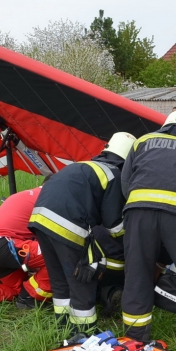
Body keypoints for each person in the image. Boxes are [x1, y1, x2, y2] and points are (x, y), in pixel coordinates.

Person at [28, 132, 136, 336]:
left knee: (60, 280)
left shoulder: (83, 166)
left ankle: (63, 327)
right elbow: (113, 225)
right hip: (68, 224)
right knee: (83, 279)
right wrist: (130, 242)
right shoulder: (114, 173)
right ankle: (84, 334)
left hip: (39, 219)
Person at [120, 110, 176, 344]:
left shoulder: (141, 141)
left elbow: (125, 181)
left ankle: (135, 337)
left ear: (165, 126)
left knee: (137, 273)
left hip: (139, 211)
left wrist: (139, 205)